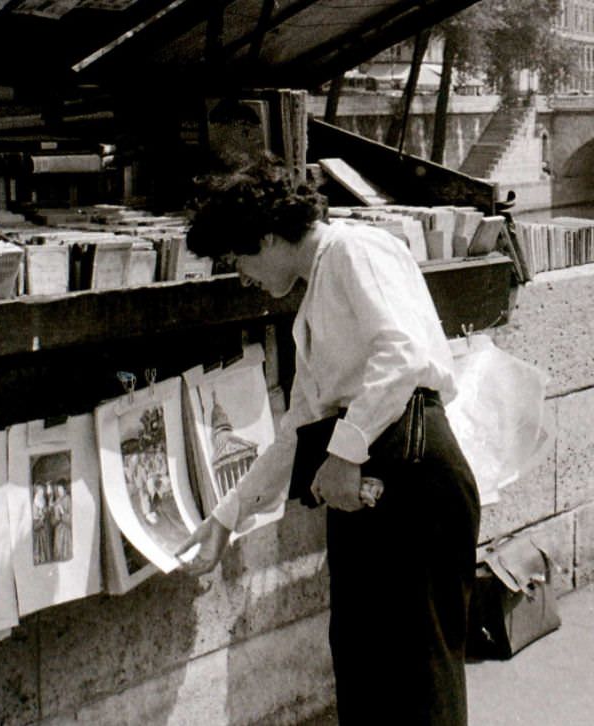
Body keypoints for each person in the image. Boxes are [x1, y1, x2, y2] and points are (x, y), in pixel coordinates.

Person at [176, 154, 480, 725]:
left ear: (267, 237)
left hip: (411, 472)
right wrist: (226, 516)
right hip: (373, 474)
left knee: (419, 673)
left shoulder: (351, 252)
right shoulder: (317, 292)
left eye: (239, 258)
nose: (242, 277)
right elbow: (297, 432)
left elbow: (402, 353)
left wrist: (345, 451)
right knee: (365, 669)